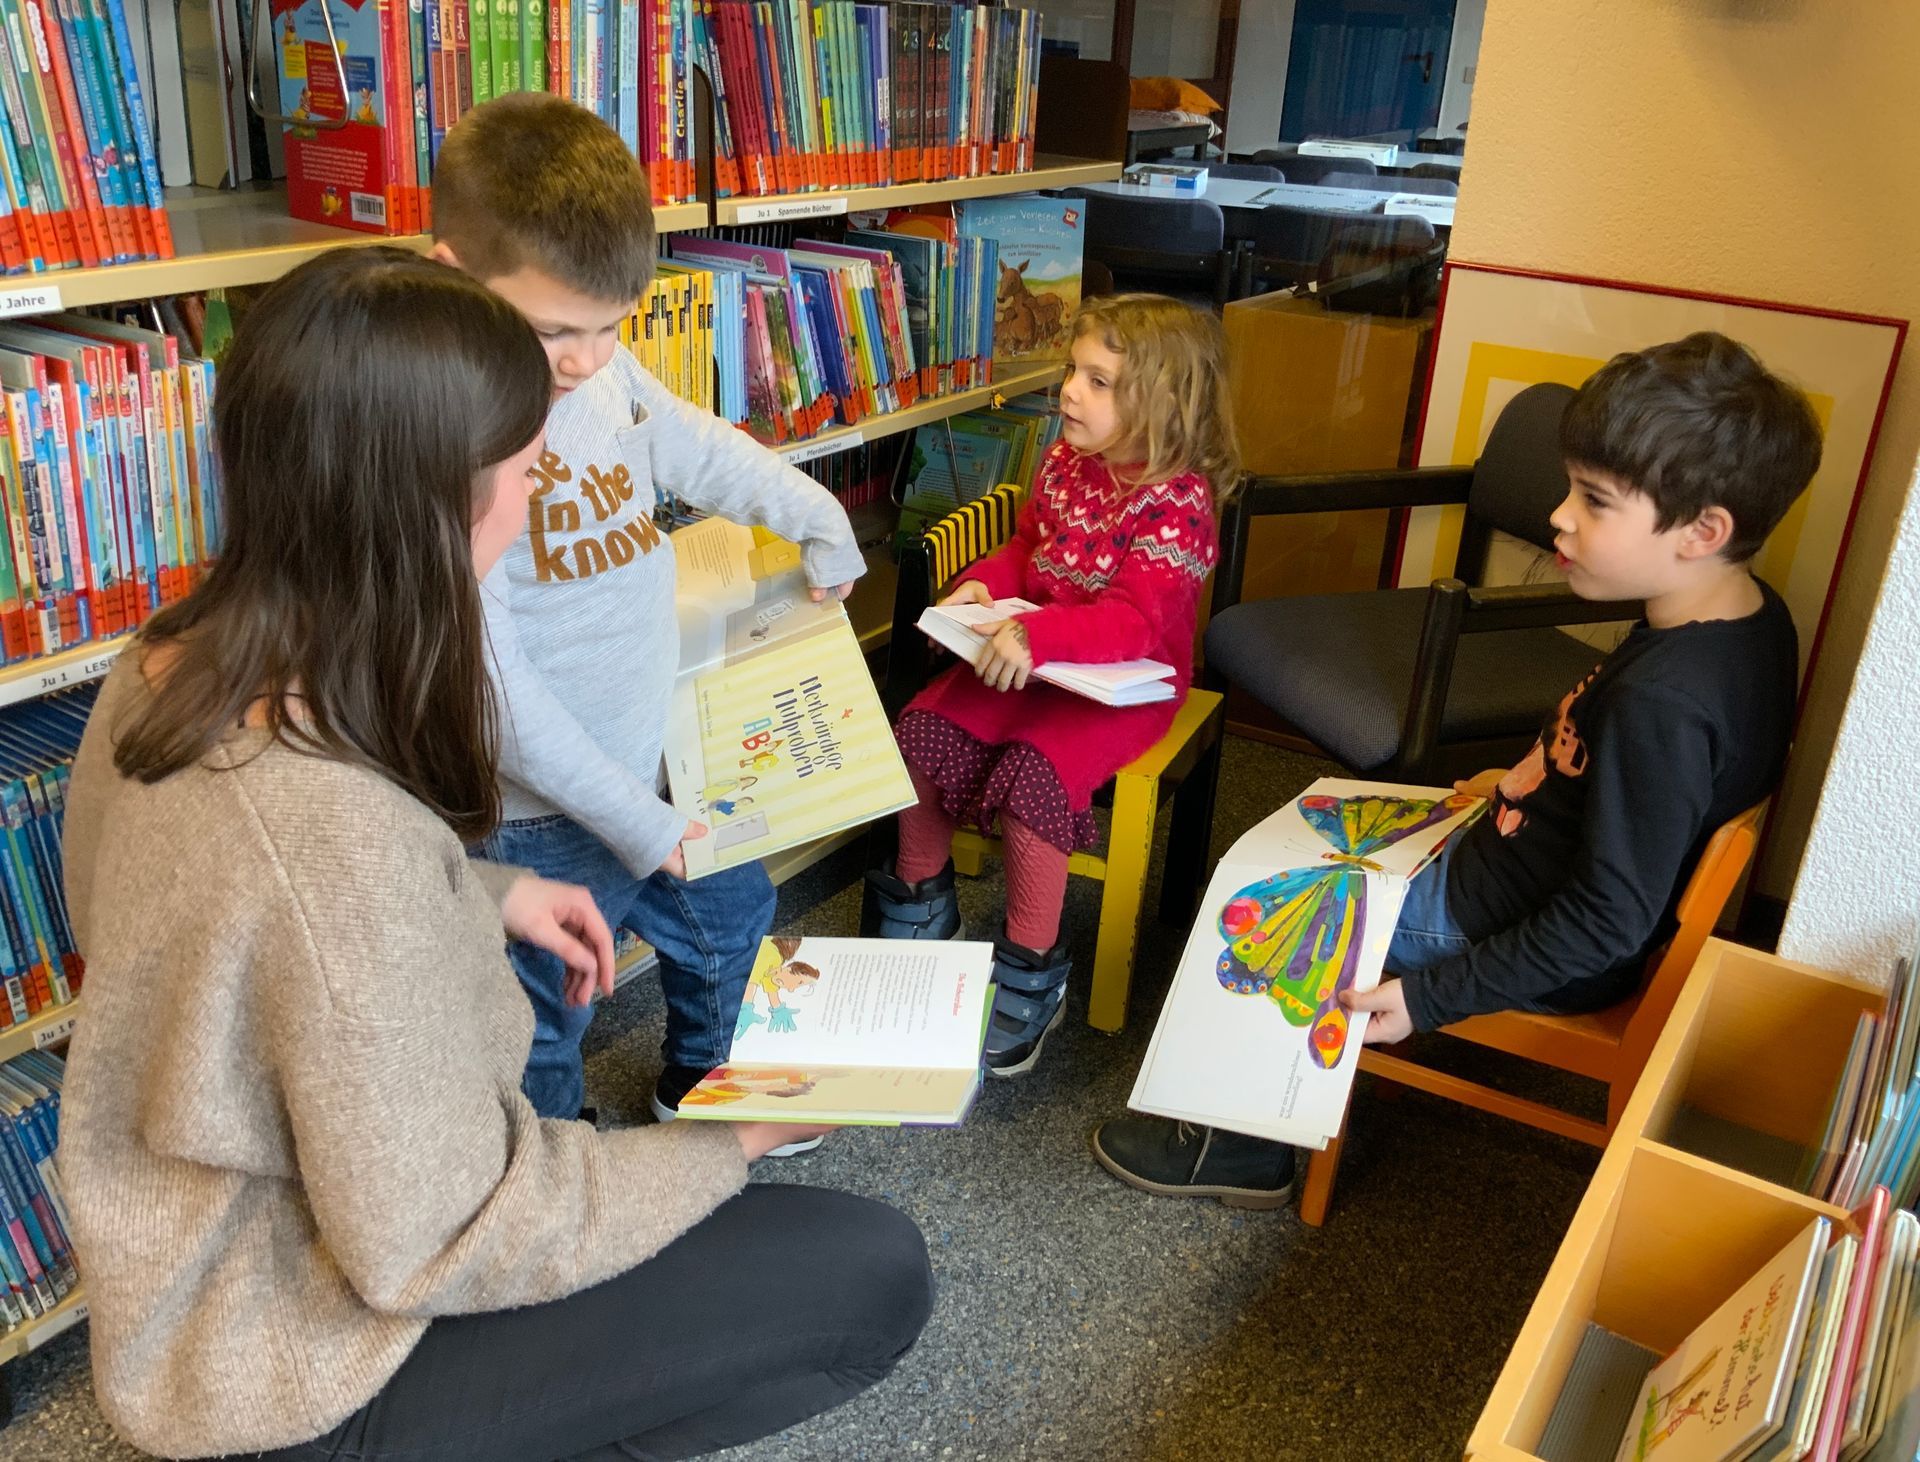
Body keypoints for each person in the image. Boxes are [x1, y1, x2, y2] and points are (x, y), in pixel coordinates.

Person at [57, 248, 932, 1461]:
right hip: (300, 1364)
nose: (532, 505)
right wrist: (727, 1141)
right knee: (874, 1272)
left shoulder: (167, 666)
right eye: (524, 474)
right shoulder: (333, 838)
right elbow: (448, 1230)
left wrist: (489, 891)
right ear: (437, 507)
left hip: (201, 1275)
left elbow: (239, 919)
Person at [1093, 330, 1819, 1206]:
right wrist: (1517, 778)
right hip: (1510, 855)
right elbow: (1596, 753)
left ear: (1703, 531)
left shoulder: (1669, 702)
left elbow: (1606, 921)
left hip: (1509, 919)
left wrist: (1431, 997)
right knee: (1288, 852)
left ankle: (1244, 1145)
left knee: (1270, 911)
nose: (1559, 515)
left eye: (1594, 501)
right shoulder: (1739, 617)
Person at [427, 94, 868, 1135]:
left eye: (609, 326)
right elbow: (497, 693)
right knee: (543, 1014)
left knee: (732, 921)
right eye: (553, 332)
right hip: (546, 810)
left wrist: (812, 513)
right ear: (451, 277)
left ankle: (703, 1095)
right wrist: (637, 824)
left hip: (661, 754)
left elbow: (685, 439)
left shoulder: (596, 369)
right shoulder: (446, 442)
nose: (584, 359)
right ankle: (547, 1174)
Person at [867, 294, 1239, 1076]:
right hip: (1031, 653)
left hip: (1123, 684)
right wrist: (982, 584)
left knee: (1033, 779)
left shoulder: (1180, 502)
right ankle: (920, 904)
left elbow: (1136, 622)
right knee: (917, 737)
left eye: (1099, 382)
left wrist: (1037, 635)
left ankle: (1033, 964)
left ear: (1163, 405)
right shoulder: (1065, 459)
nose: (1070, 390)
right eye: (1075, 371)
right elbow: (1027, 545)